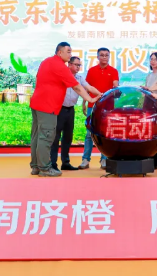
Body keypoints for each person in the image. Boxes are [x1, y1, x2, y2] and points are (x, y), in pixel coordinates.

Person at [30, 43, 98, 177]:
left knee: (37, 136)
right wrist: (90, 99)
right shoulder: (60, 66)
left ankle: (36, 166)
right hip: (48, 106)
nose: (70, 54)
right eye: (68, 51)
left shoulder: (46, 61)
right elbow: (77, 87)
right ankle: (44, 168)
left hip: (37, 104)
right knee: (46, 137)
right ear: (59, 52)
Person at [50, 56, 102, 171]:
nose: (78, 67)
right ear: (69, 64)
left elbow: (89, 87)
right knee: (55, 137)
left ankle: (65, 162)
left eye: (79, 65)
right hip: (59, 109)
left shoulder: (79, 78)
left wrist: (101, 95)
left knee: (68, 137)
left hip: (70, 110)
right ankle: (52, 163)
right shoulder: (61, 75)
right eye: (76, 65)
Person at [79, 47, 119, 170]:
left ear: (109, 57)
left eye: (106, 55)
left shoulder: (113, 71)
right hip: (92, 106)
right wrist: (84, 102)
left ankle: (104, 159)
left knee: (105, 133)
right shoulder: (92, 71)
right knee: (89, 133)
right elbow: (87, 88)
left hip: (107, 107)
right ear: (97, 57)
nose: (104, 57)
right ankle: (85, 159)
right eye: (102, 55)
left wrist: (116, 89)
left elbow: (115, 85)